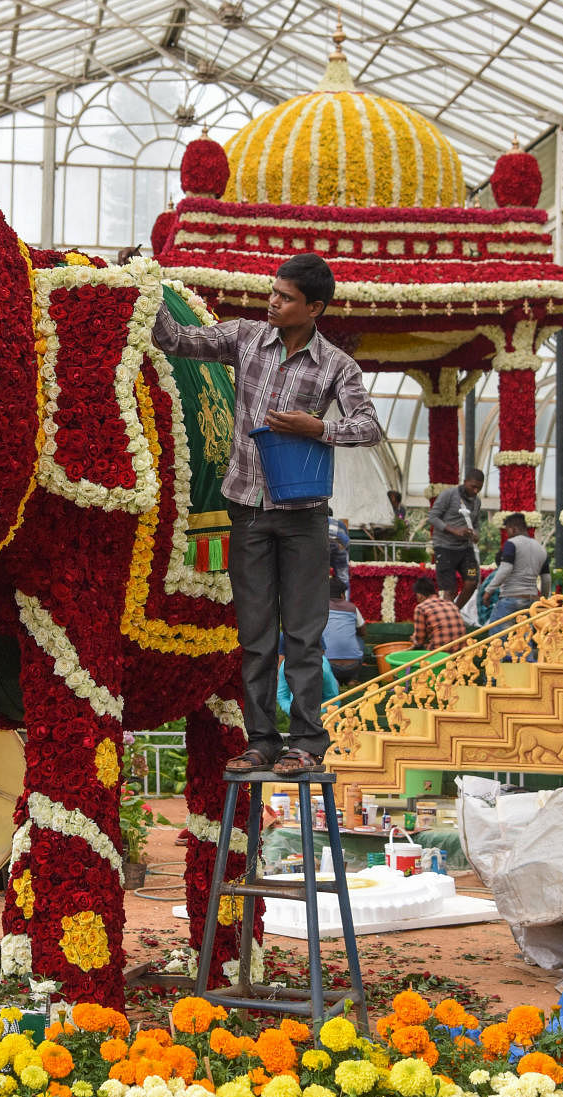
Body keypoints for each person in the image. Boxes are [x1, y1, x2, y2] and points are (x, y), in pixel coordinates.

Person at [152, 252, 382, 776]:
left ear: (315, 308)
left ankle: (306, 743)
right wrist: (144, 284)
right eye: (272, 293)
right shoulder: (245, 337)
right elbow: (176, 341)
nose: (272, 302)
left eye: (285, 298)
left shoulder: (336, 366)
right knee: (254, 635)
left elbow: (368, 426)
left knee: (303, 634)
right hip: (247, 512)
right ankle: (261, 742)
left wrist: (316, 428)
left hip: (304, 516)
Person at [428, 469, 484, 608]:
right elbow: (433, 517)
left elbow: (476, 524)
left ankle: (455, 611)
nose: (476, 491)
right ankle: (450, 614)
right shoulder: (449, 495)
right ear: (465, 482)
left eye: (479, 488)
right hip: (445, 547)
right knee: (450, 589)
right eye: (473, 486)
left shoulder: (477, 501)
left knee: (472, 581)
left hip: (465, 548)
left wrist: (476, 534)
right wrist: (454, 530)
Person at [482, 512, 551, 624]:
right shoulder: (541, 549)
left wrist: (488, 591)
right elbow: (546, 579)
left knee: (498, 638)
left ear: (513, 529)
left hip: (511, 598)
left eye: (507, 530)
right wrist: (543, 599)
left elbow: (505, 569)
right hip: (531, 601)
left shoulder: (512, 543)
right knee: (525, 638)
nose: (507, 534)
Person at [277, 632, 339, 712]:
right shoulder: (285, 666)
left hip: (320, 709)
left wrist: (319, 713)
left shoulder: (323, 669)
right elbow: (282, 696)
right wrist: (292, 711)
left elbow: (332, 698)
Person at [322, 576, 365, 684]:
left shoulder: (320, 608)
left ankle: (332, 679)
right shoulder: (352, 608)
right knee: (359, 639)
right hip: (353, 667)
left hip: (329, 666)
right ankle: (352, 678)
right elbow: (363, 632)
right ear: (342, 595)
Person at [410, 577, 467, 650]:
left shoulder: (421, 608)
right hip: (461, 654)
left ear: (419, 595)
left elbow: (419, 641)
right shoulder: (451, 604)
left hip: (440, 655)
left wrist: (414, 638)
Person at [328, 508, 351, 592]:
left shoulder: (318, 522)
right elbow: (347, 542)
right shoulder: (339, 523)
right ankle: (345, 602)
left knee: (319, 578)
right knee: (343, 579)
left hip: (323, 550)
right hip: (339, 550)